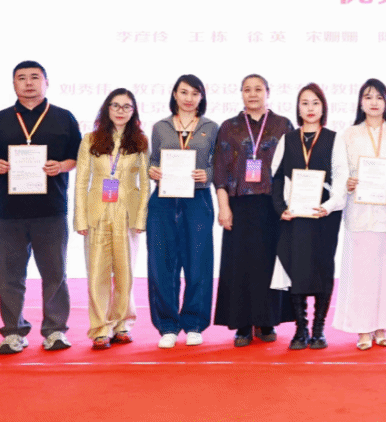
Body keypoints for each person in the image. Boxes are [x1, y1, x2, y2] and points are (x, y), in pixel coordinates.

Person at [0, 61, 82, 355]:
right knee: (7, 275)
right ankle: (13, 332)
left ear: (46, 82)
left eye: (35, 77)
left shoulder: (63, 117)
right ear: (14, 84)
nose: (29, 83)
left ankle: (55, 330)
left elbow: (78, 156)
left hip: (51, 209)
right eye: (21, 78)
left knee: (55, 273)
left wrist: (62, 166)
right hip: (9, 211)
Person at [326, 79, 386, 350]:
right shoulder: (348, 134)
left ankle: (381, 326)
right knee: (361, 273)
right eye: (368, 97)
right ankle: (363, 328)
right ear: (360, 102)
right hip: (359, 212)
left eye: (379, 97)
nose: (374, 102)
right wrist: (348, 183)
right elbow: (339, 171)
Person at [212, 74, 294, 347]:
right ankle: (243, 325)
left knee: (269, 263)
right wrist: (224, 207)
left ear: (268, 92)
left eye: (258, 89)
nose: (253, 94)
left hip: (273, 204)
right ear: (241, 94)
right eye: (247, 89)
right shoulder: (229, 127)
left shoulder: (283, 124)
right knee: (240, 265)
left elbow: (293, 166)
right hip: (240, 204)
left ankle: (267, 321)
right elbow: (220, 171)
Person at [73, 88, 150, 350]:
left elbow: (146, 182)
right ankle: (100, 328)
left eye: (126, 106)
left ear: (133, 112)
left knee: (126, 271)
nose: (120, 111)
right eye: (115, 105)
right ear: (107, 109)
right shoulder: (91, 139)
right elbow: (81, 181)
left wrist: (141, 218)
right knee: (97, 272)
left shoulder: (140, 141)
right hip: (97, 212)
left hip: (128, 213)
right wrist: (80, 218)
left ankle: (122, 324)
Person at [146, 74, 219, 349]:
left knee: (198, 262)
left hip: (197, 200)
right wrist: (152, 171)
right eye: (184, 92)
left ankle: (194, 323)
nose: (189, 98)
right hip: (164, 201)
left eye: (195, 93)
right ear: (174, 94)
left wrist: (208, 174)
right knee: (162, 264)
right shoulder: (160, 127)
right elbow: (153, 161)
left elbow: (219, 165)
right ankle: (167, 325)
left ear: (202, 97)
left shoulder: (211, 127)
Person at [271, 83, 342, 350]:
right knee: (297, 268)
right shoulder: (288, 139)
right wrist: (281, 208)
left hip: (324, 215)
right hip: (296, 216)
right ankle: (300, 329)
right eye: (305, 103)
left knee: (323, 268)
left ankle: (318, 330)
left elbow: (342, 177)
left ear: (323, 107)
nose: (310, 108)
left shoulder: (335, 139)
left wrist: (330, 205)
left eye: (315, 103)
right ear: (298, 108)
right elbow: (277, 177)